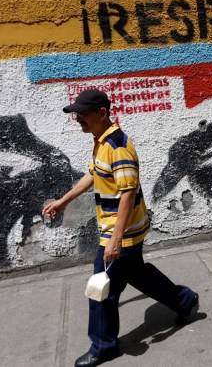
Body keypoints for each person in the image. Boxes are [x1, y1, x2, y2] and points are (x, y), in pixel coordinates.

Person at [42, 89, 199, 367]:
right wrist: (63, 202)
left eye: (83, 114)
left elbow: (127, 193)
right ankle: (184, 300)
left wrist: (115, 239)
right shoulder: (101, 142)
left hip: (121, 232)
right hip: (121, 230)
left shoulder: (118, 147)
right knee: (137, 273)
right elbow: (92, 174)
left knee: (100, 289)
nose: (78, 119)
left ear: (102, 113)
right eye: (76, 114)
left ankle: (103, 346)